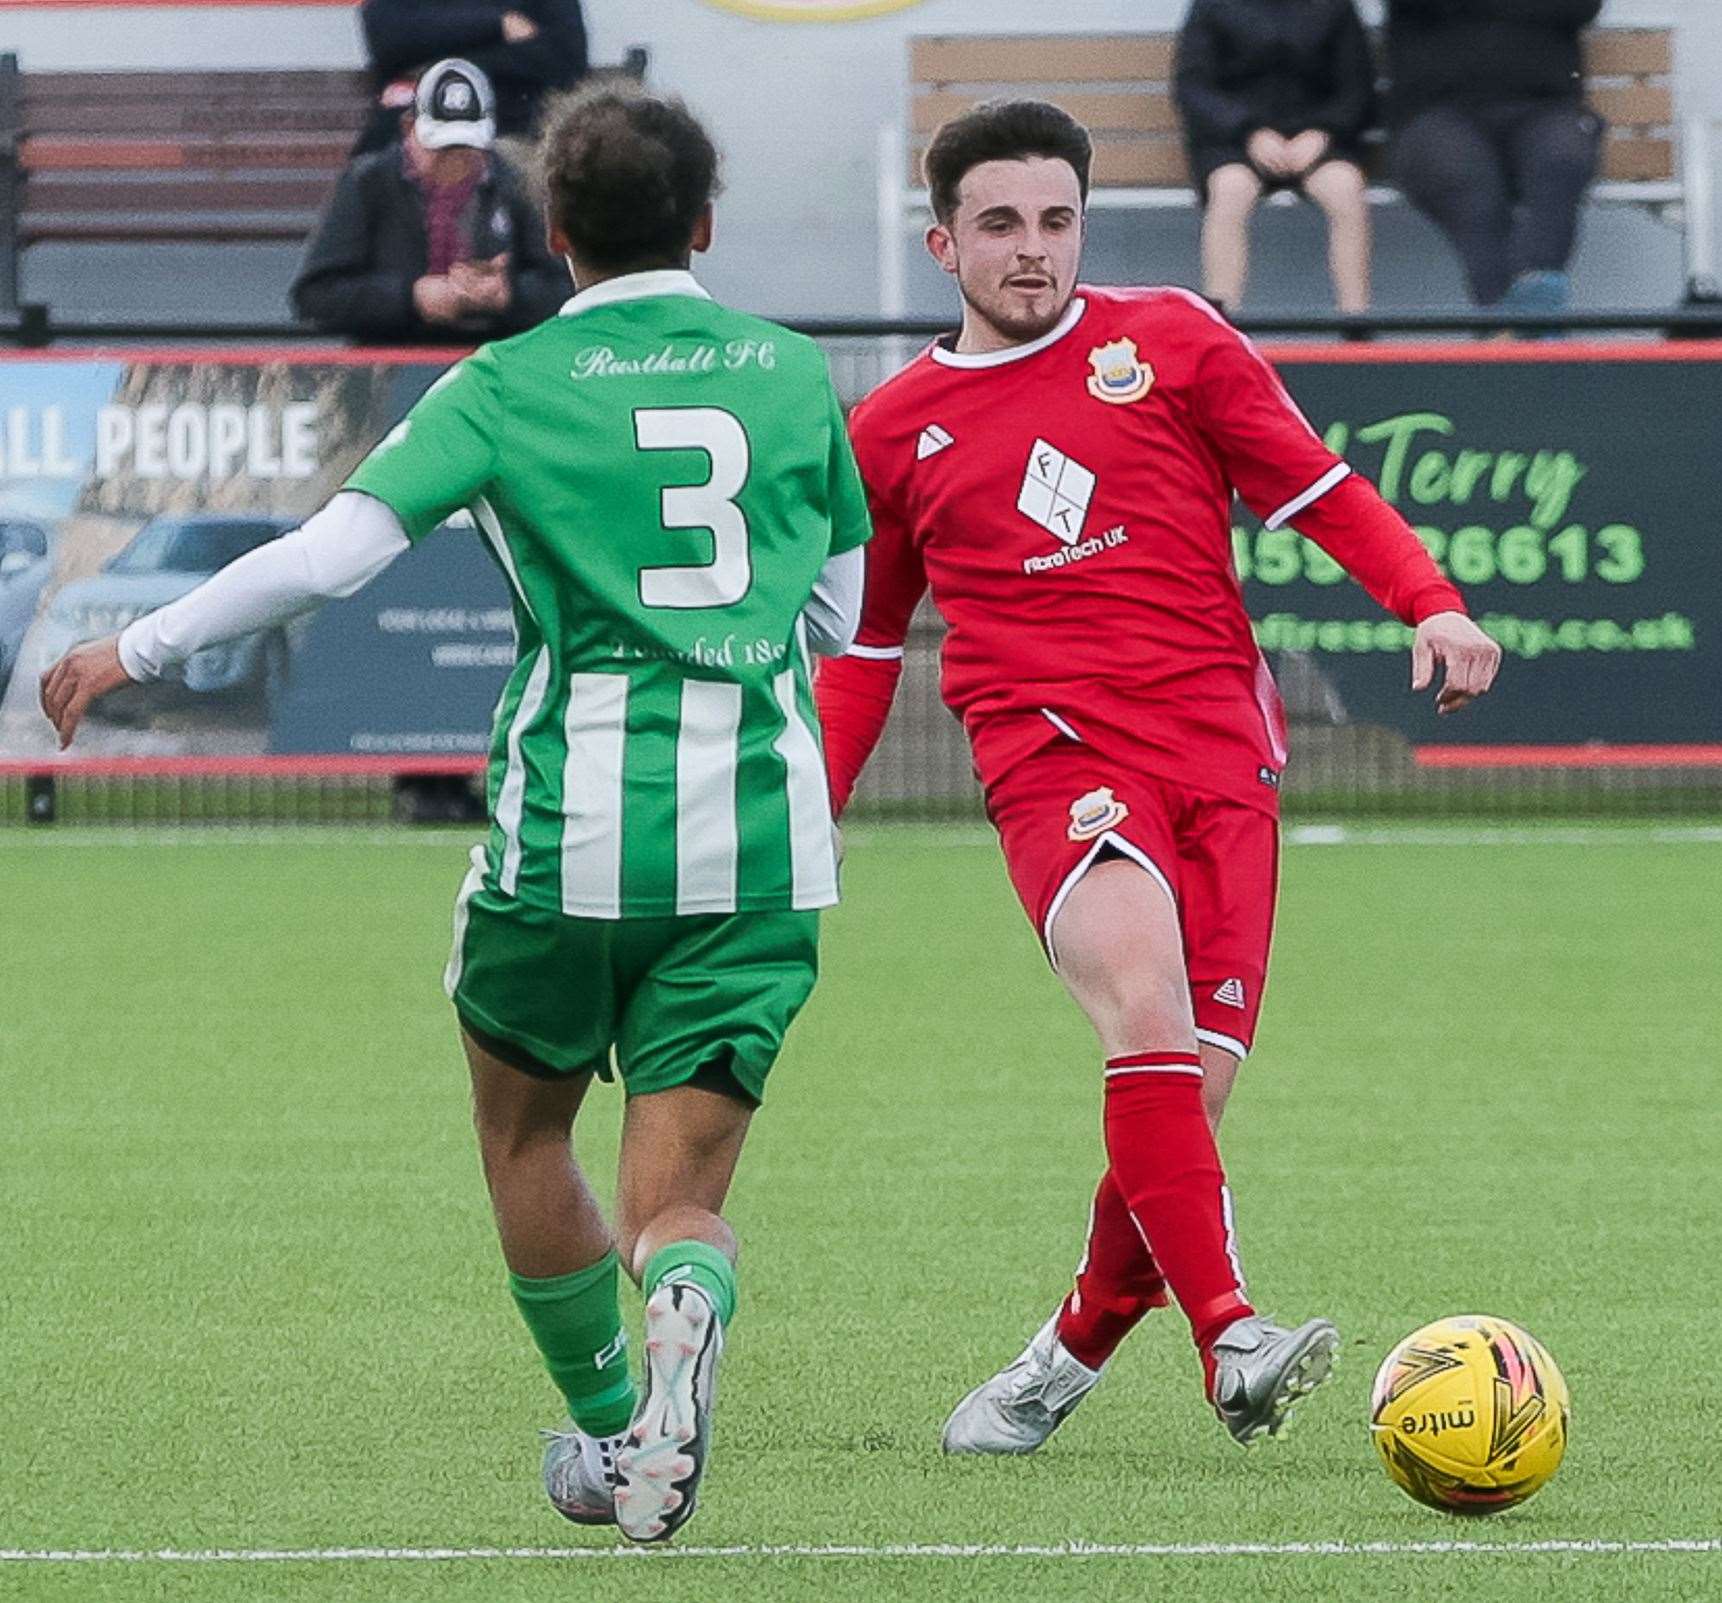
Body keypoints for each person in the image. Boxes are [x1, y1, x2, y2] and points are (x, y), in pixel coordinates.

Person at [41, 86, 872, 1545]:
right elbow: (837, 611)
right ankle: (682, 1300)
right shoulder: (795, 377)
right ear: (704, 223)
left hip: (570, 834)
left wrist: (136, 648)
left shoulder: (501, 382)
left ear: (553, 234)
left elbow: (326, 555)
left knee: (525, 1139)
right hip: (757, 839)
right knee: (672, 1194)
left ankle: (617, 1436)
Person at [815, 98, 1501, 1455]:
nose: (1032, 251)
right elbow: (867, 648)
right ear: (942, 242)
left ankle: (1061, 1352)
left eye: (1056, 221)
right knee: (1146, 1010)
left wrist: (1430, 600)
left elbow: (1315, 489)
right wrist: (803, 816)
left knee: (1187, 1086)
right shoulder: (890, 432)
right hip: (1050, 756)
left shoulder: (1174, 340)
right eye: (1000, 226)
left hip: (1221, 757)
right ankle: (1230, 1333)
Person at [293, 60, 569, 344]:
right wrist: (412, 297)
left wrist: (508, 295)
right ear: (409, 128)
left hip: (491, 356)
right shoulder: (368, 181)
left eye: (466, 150)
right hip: (390, 360)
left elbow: (562, 287)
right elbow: (315, 296)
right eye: (441, 149)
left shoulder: (515, 184)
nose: (454, 164)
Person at [1387, 0, 1606, 312]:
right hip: (1435, 113)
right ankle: (1519, 325)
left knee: (1563, 156)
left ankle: (1524, 308)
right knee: (1465, 181)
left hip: (1545, 107)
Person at [1174, 0, 1378, 313]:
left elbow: (1356, 87)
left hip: (1317, 140)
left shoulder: (1334, 7)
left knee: (1345, 188)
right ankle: (1223, 323)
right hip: (1235, 142)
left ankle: (1357, 322)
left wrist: (1324, 131)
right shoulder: (1213, 6)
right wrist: (1248, 131)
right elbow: (1194, 85)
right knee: (1230, 190)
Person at [354, 0, 588, 154]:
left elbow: (565, 60)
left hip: (511, 133)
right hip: (411, 134)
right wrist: (496, 25)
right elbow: (387, 38)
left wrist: (440, 60)